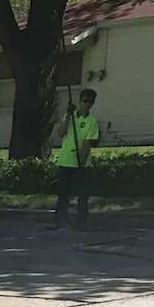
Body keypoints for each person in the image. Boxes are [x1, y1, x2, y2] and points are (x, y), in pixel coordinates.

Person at [51, 88, 100, 231]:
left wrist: (82, 163)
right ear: (80, 101)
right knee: (63, 194)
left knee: (82, 195)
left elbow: (87, 143)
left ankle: (81, 222)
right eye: (85, 101)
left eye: (90, 102)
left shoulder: (92, 121)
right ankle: (60, 221)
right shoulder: (70, 117)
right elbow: (60, 133)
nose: (87, 104)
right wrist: (68, 115)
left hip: (82, 164)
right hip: (65, 161)